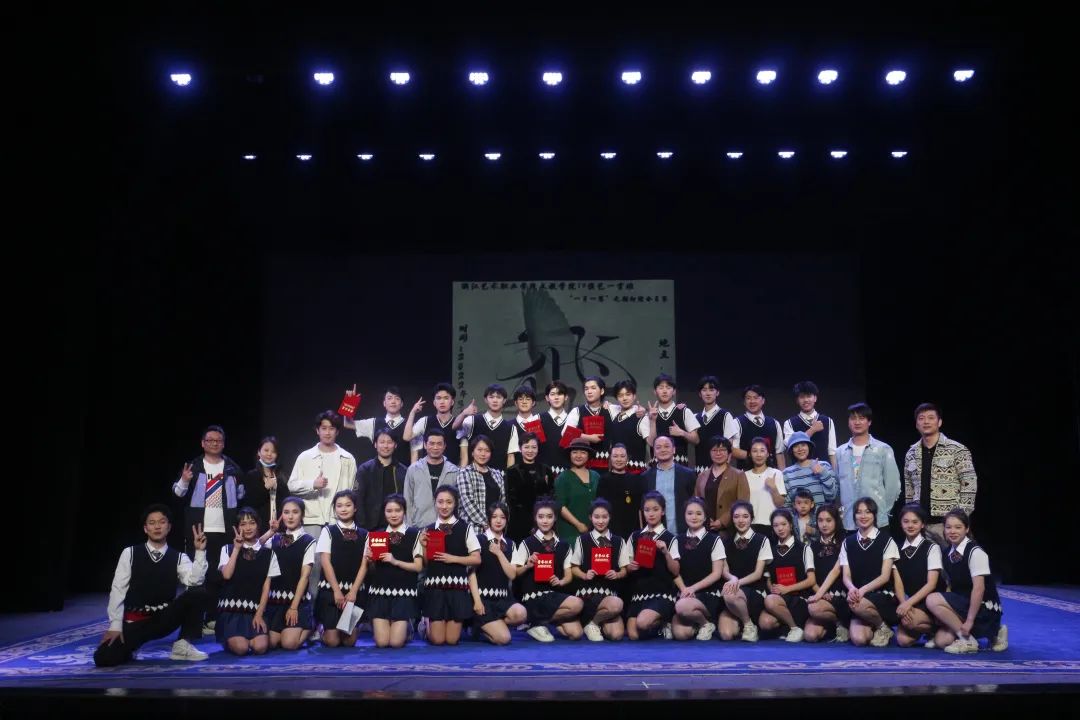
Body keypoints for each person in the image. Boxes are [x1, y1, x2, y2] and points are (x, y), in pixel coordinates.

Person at [93, 505, 209, 666]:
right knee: (103, 658)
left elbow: (195, 581)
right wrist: (115, 626)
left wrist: (200, 551)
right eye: (152, 523)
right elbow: (118, 590)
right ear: (145, 528)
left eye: (162, 522)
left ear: (169, 527)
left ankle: (182, 645)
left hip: (163, 619)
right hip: (135, 622)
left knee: (198, 592)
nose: (157, 526)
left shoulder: (178, 557)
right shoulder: (130, 553)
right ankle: (131, 649)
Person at [172, 424, 245, 630]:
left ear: (223, 443)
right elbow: (178, 493)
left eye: (218, 441)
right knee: (198, 575)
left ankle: (213, 617)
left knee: (219, 575)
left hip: (225, 529)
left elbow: (241, 495)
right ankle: (195, 620)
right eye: (210, 440)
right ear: (203, 443)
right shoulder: (193, 467)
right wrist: (184, 481)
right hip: (199, 530)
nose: (214, 444)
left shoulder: (232, 468)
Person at [287, 411, 358, 616]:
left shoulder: (347, 458)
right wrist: (313, 484)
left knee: (340, 565)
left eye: (332, 428)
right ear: (317, 430)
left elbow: (352, 490)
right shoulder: (305, 457)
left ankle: (337, 617)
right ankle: (311, 617)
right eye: (324, 428)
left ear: (337, 431)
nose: (327, 432)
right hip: (313, 519)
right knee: (313, 567)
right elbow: (292, 485)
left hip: (339, 520)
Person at [926, 508, 1008, 653]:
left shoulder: (976, 553)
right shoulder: (947, 553)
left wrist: (969, 620)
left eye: (958, 527)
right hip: (963, 603)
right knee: (941, 641)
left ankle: (970, 639)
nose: (952, 531)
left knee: (932, 600)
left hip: (983, 608)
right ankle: (986, 633)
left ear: (967, 529)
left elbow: (979, 589)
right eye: (948, 527)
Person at [903, 403, 978, 545]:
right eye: (921, 418)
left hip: (948, 525)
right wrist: (911, 518)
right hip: (921, 525)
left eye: (931, 418)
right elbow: (909, 489)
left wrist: (960, 518)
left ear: (939, 422)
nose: (926, 421)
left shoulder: (957, 450)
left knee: (955, 559)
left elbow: (969, 484)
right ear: (917, 424)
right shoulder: (911, 453)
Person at [512, 498, 585, 642]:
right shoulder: (527, 543)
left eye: (549, 517)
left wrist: (561, 581)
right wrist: (527, 565)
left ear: (555, 518)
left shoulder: (563, 545)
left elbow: (568, 576)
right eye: (541, 517)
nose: (545, 521)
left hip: (553, 595)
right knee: (577, 603)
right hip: (533, 596)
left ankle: (535, 622)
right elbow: (515, 573)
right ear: (535, 518)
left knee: (576, 633)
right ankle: (535, 621)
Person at [420, 486, 482, 645]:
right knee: (438, 640)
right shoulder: (428, 529)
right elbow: (426, 564)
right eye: (440, 502)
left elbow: (476, 559)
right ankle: (425, 623)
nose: (444, 506)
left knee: (452, 640)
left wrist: (453, 559)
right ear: (435, 503)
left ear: (455, 504)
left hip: (457, 588)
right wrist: (424, 546)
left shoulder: (465, 528)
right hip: (435, 588)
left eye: (449, 502)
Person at [363, 494, 424, 649]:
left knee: (396, 643)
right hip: (380, 593)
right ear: (384, 512)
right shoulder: (376, 535)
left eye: (398, 510)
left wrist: (395, 561)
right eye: (389, 511)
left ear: (404, 511)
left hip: (403, 593)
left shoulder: (414, 534)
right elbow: (371, 570)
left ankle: (408, 628)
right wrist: (370, 560)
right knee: (382, 643)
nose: (393, 514)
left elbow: (418, 567)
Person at [215, 507, 278, 656]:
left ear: (258, 525)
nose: (248, 528)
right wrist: (237, 549)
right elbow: (227, 575)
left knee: (260, 647)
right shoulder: (227, 549)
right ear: (237, 528)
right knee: (241, 649)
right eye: (243, 524)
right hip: (232, 611)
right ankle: (228, 638)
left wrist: (259, 614)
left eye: (252, 523)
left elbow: (266, 587)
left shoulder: (269, 554)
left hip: (254, 611)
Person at [839, 497, 900, 647]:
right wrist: (852, 588)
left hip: (881, 594)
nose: (863, 516)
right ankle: (875, 626)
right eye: (859, 512)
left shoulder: (887, 540)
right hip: (857, 595)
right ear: (854, 516)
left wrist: (862, 590)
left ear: (874, 515)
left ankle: (882, 627)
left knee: (857, 605)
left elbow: (885, 577)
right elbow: (846, 575)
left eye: (867, 512)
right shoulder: (848, 542)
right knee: (859, 639)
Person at [568, 499, 630, 642]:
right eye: (596, 517)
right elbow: (573, 568)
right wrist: (584, 575)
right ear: (590, 517)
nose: (600, 521)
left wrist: (617, 574)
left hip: (608, 595)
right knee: (615, 605)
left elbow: (625, 570)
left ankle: (593, 623)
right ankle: (592, 622)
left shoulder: (619, 541)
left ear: (610, 517)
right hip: (587, 594)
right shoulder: (582, 540)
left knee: (616, 635)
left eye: (604, 517)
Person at [469, 502, 528, 645]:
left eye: (502, 517)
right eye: (494, 517)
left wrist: (499, 553)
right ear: (489, 519)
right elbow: (471, 573)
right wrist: (477, 601)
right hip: (483, 599)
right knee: (504, 639)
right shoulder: (479, 540)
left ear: (506, 520)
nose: (498, 520)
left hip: (503, 599)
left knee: (521, 613)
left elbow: (512, 575)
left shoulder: (510, 544)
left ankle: (488, 626)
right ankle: (479, 625)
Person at [836, 403, 901, 531]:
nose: (857, 422)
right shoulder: (840, 452)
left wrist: (883, 511)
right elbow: (838, 485)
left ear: (869, 422)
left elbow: (893, 485)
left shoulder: (883, 449)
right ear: (848, 422)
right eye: (853, 418)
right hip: (849, 520)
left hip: (877, 519)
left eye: (861, 418)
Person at [625, 492, 681, 640]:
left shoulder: (670, 538)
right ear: (642, 512)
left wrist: (666, 552)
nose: (651, 514)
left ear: (662, 511)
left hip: (662, 592)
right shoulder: (635, 536)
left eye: (655, 509)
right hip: (640, 593)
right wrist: (631, 567)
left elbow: (676, 571)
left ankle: (666, 618)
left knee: (642, 623)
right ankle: (660, 623)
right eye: (647, 510)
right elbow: (626, 567)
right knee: (633, 635)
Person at [315, 490, 368, 648]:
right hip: (331, 591)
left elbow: (364, 565)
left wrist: (353, 592)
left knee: (349, 642)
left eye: (348, 505)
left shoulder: (365, 534)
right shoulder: (328, 531)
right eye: (339, 506)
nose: (343, 509)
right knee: (332, 641)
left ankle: (353, 627)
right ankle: (321, 629)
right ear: (334, 509)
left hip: (353, 592)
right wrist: (337, 591)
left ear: (355, 508)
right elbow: (325, 562)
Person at [671, 497, 727, 641]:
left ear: (705, 517)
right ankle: (700, 624)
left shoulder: (714, 540)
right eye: (689, 513)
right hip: (685, 593)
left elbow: (716, 573)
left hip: (708, 593)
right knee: (681, 635)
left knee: (683, 607)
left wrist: (693, 589)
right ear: (684, 515)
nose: (694, 517)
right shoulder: (677, 540)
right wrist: (684, 589)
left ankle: (706, 623)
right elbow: (674, 572)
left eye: (698, 513)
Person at [264, 496, 316, 651]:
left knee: (289, 644)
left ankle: (311, 625)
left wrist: (293, 607)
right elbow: (253, 549)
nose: (290, 516)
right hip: (275, 601)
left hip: (296, 602)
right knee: (270, 643)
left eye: (295, 512)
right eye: (286, 512)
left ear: (302, 515)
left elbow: (304, 577)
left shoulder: (308, 541)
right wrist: (270, 532)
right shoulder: (275, 538)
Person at [718, 501, 772, 642]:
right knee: (726, 635)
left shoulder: (762, 540)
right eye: (736, 517)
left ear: (751, 518)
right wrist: (732, 579)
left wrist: (736, 583)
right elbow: (724, 570)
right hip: (734, 593)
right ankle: (745, 622)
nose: (741, 520)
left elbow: (758, 574)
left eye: (745, 516)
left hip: (754, 591)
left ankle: (748, 625)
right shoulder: (726, 541)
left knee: (730, 593)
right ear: (732, 519)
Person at [892, 504, 944, 648]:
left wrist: (908, 604)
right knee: (903, 641)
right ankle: (927, 630)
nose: (910, 525)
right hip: (910, 602)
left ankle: (939, 627)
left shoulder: (932, 548)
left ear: (922, 524)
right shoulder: (896, 549)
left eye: (915, 522)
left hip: (930, 601)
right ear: (901, 523)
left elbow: (931, 584)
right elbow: (898, 582)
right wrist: (903, 603)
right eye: (906, 521)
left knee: (911, 622)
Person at [759, 509, 815, 643]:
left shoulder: (804, 548)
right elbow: (768, 578)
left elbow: (811, 580)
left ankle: (795, 628)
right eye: (776, 525)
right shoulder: (770, 550)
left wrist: (787, 589)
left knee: (771, 601)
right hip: (778, 598)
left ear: (790, 525)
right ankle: (789, 627)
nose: (780, 528)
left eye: (783, 524)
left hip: (799, 597)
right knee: (765, 623)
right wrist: (772, 588)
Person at [804, 504, 850, 643]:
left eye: (829, 520)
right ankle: (836, 624)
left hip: (841, 596)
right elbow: (810, 578)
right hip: (820, 595)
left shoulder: (846, 543)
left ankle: (844, 623)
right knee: (810, 636)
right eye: (820, 520)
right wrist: (820, 593)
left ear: (836, 521)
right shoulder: (811, 547)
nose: (824, 524)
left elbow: (838, 572)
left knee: (815, 608)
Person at [782, 431, 838, 540]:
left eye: (803, 445)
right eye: (796, 446)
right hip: (800, 529)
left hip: (824, 526)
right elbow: (788, 504)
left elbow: (832, 496)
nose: (800, 449)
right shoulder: (787, 473)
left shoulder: (823, 465)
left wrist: (822, 473)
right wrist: (796, 525)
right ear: (791, 450)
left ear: (809, 447)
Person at [503, 432, 556, 541]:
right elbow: (511, 500)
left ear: (538, 449)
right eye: (526, 447)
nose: (530, 450)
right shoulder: (512, 471)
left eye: (534, 447)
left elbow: (551, 495)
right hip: (519, 521)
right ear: (520, 448)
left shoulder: (546, 470)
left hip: (542, 520)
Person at [692, 436, 749, 537]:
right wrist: (704, 518)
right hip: (705, 529)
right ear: (709, 453)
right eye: (714, 450)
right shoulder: (702, 476)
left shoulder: (738, 475)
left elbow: (742, 503)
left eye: (722, 450)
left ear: (729, 454)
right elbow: (696, 502)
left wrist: (722, 521)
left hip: (729, 530)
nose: (718, 453)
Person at [402, 429, 459, 529]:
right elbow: (407, 500)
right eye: (432, 443)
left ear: (444, 446)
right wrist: (409, 528)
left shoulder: (454, 471)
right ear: (425, 445)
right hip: (419, 526)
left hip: (446, 528)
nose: (435, 447)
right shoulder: (413, 469)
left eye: (439, 444)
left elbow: (458, 502)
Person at [344, 385, 412, 467]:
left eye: (397, 398)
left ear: (401, 404)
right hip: (378, 472)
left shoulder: (410, 425)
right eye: (389, 398)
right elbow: (348, 424)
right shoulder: (373, 423)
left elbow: (415, 453)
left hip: (403, 473)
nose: (393, 401)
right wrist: (349, 403)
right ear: (384, 403)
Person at [355, 428, 409, 530]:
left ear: (395, 445)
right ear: (375, 444)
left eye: (389, 442)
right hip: (370, 527)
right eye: (382, 442)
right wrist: (362, 527)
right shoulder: (365, 469)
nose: (386, 446)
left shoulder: (403, 471)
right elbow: (358, 499)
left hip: (397, 527)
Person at [455, 384, 516, 471]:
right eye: (491, 397)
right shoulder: (472, 420)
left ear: (504, 400)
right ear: (486, 400)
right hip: (473, 474)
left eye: (498, 397)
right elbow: (455, 427)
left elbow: (510, 456)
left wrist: (509, 476)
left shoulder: (510, 428)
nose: (495, 400)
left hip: (498, 476)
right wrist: (464, 414)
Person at [646, 374, 701, 467]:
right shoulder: (649, 415)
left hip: (680, 466)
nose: (664, 391)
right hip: (657, 467)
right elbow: (651, 443)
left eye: (668, 387)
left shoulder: (684, 412)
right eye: (661, 388)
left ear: (674, 391)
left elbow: (696, 440)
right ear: (655, 392)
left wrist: (682, 433)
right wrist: (652, 421)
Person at [553, 438, 601, 543]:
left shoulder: (596, 476)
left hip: (595, 529)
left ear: (588, 455)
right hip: (570, 532)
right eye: (574, 452)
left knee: (596, 553)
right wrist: (578, 524)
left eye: (583, 452)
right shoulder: (563, 478)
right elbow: (560, 506)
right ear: (570, 455)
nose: (578, 456)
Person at [456, 435, 506, 532]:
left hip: (497, 528)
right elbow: (468, 502)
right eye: (479, 450)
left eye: (487, 451)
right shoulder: (464, 473)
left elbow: (502, 502)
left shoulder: (497, 474)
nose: (483, 454)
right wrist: (488, 524)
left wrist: (500, 522)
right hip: (473, 529)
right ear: (472, 452)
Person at [596, 443, 647, 540]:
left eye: (622, 456)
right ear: (610, 458)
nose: (619, 459)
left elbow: (642, 508)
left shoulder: (637, 480)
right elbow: (600, 507)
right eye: (615, 456)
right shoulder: (604, 480)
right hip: (610, 530)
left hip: (633, 530)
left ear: (627, 458)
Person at [782, 381, 838, 467]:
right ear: (797, 400)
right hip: (799, 471)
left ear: (815, 398)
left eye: (809, 396)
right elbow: (790, 445)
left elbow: (832, 452)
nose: (806, 400)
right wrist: (812, 430)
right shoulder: (789, 423)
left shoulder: (827, 421)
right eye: (802, 397)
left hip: (823, 470)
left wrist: (834, 473)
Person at [241, 436, 291, 532]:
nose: (269, 454)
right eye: (266, 450)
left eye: (273, 451)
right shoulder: (252, 475)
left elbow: (287, 502)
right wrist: (265, 488)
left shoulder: (281, 477)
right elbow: (249, 503)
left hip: (280, 527)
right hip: (259, 528)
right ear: (259, 452)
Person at [563, 376, 612, 471]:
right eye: (586, 389)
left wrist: (640, 411)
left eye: (593, 388)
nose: (589, 391)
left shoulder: (610, 409)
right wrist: (589, 438)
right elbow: (565, 433)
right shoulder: (577, 411)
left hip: (606, 466)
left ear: (602, 391)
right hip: (582, 466)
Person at [733, 385, 786, 471]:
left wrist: (782, 475)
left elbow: (779, 453)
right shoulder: (736, 423)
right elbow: (733, 450)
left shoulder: (774, 423)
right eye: (748, 398)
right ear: (744, 402)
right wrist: (755, 455)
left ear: (763, 400)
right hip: (746, 473)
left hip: (771, 474)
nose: (752, 401)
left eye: (756, 397)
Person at [693, 375, 739, 473]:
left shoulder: (725, 415)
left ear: (717, 392)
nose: (708, 393)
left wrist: (724, 471)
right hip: (700, 470)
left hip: (720, 470)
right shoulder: (695, 417)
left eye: (711, 390)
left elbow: (729, 446)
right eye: (704, 390)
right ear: (700, 394)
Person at [403, 382, 458, 463]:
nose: (442, 402)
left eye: (446, 398)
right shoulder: (425, 421)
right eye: (438, 398)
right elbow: (407, 437)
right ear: (434, 403)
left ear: (452, 402)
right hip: (428, 469)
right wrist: (412, 412)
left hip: (452, 468)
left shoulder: (458, 423)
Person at [744, 436, 787, 539]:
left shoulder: (776, 473)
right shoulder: (744, 476)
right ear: (749, 454)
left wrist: (774, 488)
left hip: (772, 525)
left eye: (762, 450)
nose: (759, 454)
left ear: (767, 454)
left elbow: (781, 504)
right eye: (755, 451)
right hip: (750, 526)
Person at [608, 380, 650, 472]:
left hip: (635, 471)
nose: (624, 398)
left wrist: (652, 419)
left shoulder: (641, 417)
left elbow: (651, 442)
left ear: (634, 396)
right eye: (620, 395)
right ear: (616, 398)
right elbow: (606, 405)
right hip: (616, 471)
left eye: (628, 394)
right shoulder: (614, 414)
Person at [538, 381, 571, 474]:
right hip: (544, 473)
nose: (556, 397)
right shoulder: (537, 419)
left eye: (560, 394)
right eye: (552, 394)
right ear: (547, 398)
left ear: (566, 397)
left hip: (568, 473)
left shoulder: (573, 420)